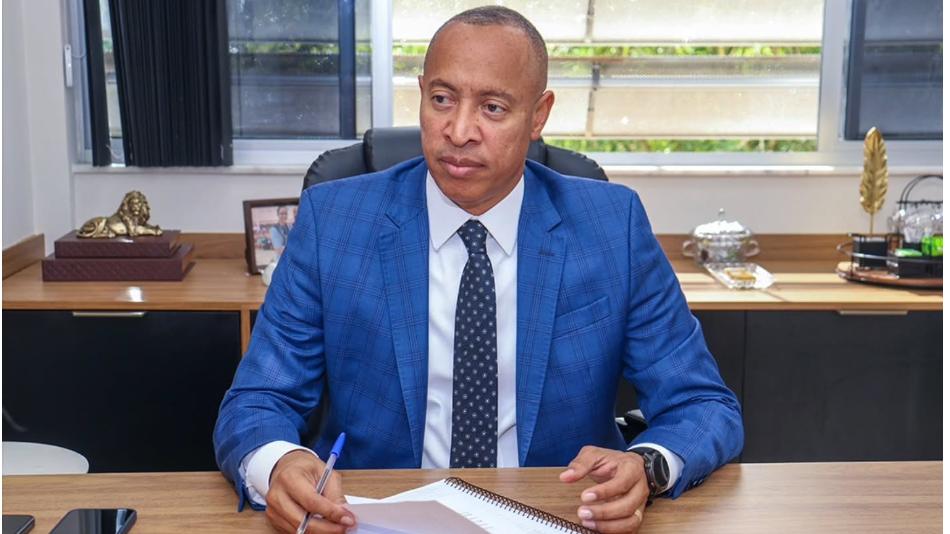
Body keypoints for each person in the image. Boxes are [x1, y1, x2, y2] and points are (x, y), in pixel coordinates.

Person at [214, 6, 742, 534]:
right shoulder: (335, 221)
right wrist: (279, 463)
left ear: (538, 115)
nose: (459, 130)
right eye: (442, 99)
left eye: (493, 107)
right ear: (421, 95)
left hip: (556, 514)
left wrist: (647, 467)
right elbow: (258, 399)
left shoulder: (610, 226)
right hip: (370, 517)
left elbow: (702, 403)